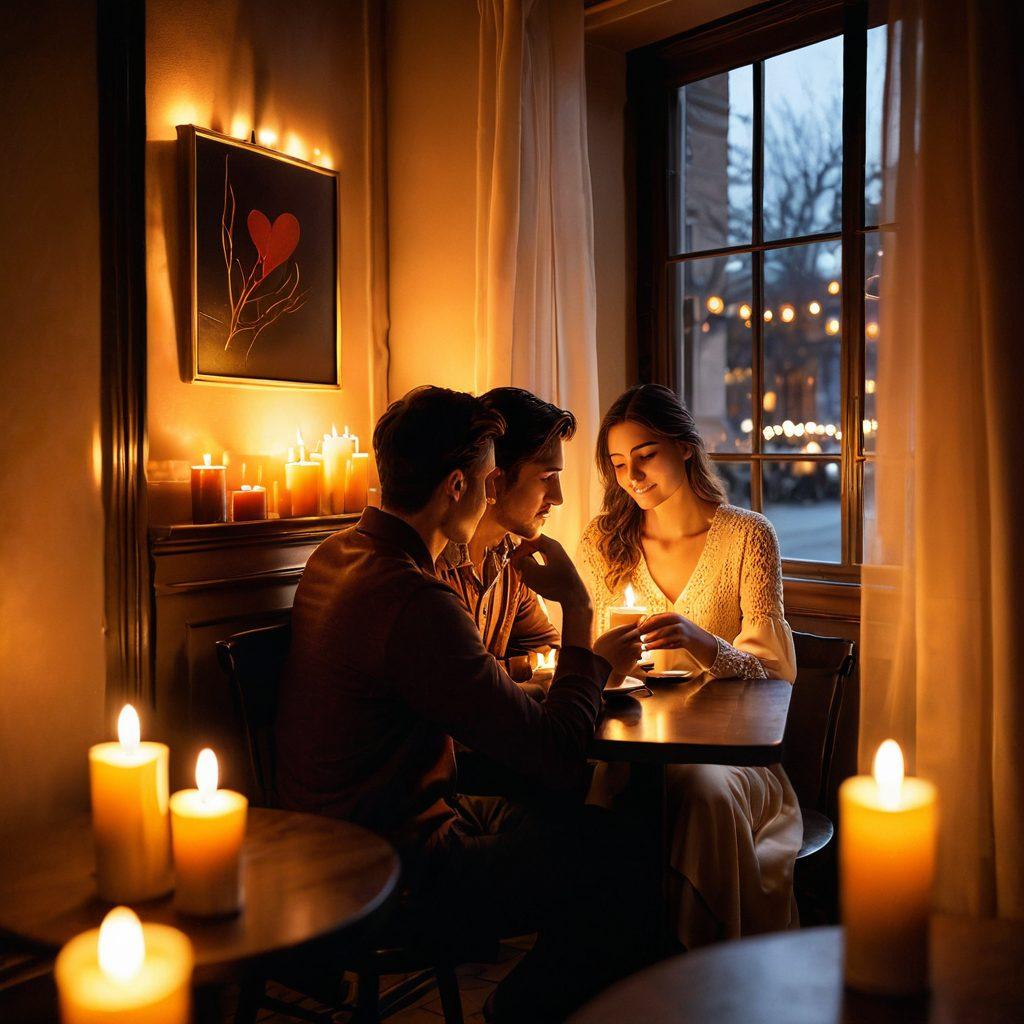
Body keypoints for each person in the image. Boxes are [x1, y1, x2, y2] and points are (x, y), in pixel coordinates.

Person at [275, 385, 645, 1022]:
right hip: (390, 864)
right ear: (456, 486)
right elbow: (557, 754)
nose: (490, 491)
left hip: (324, 837)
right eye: (484, 478)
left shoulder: (335, 555)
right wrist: (580, 609)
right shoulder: (416, 599)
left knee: (563, 812)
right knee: (620, 852)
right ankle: (522, 1010)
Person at [577, 383, 802, 950]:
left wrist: (706, 645)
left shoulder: (748, 536)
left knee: (697, 788)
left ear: (684, 446)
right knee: (589, 790)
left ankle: (702, 964)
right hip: (631, 746)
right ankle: (612, 968)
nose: (632, 475)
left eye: (645, 455)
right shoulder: (604, 544)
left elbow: (775, 672)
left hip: (725, 758)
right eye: (618, 463)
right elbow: (581, 655)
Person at [437, 387, 575, 689]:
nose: (558, 497)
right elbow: (459, 687)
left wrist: (506, 669)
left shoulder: (511, 561)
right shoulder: (430, 566)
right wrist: (577, 603)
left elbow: (551, 655)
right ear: (495, 481)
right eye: (546, 478)